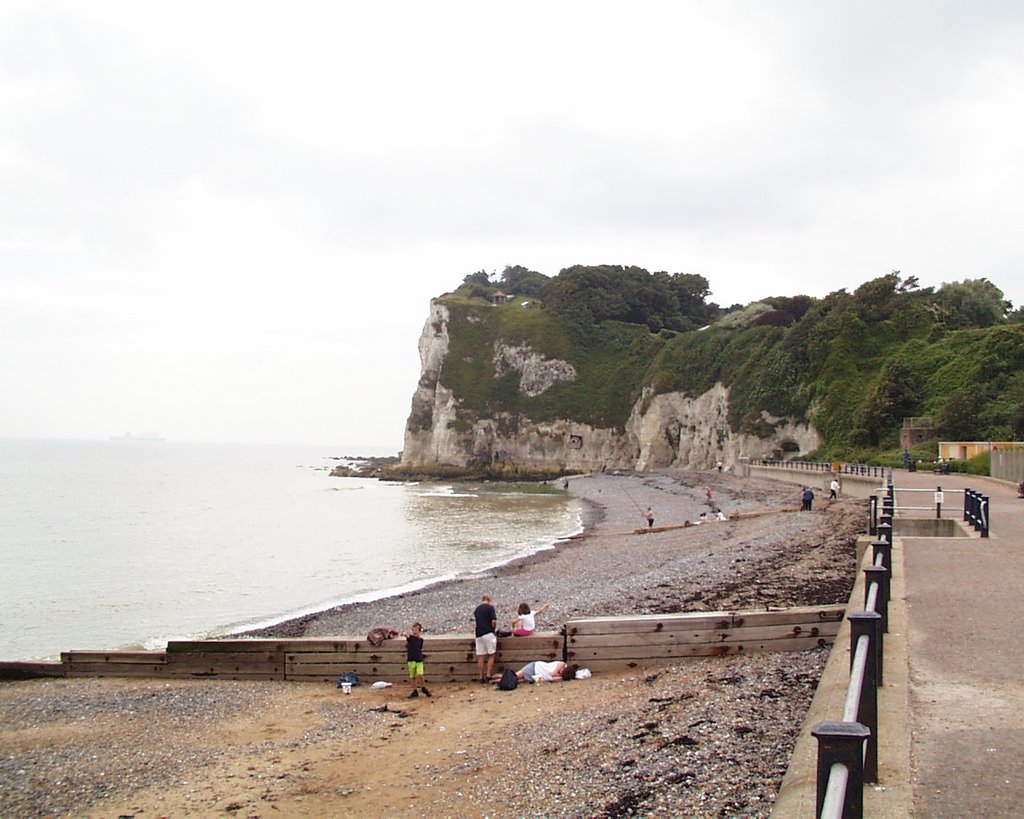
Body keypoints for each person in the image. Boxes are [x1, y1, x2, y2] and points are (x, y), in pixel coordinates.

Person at [473, 594, 498, 683]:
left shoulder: (477, 610)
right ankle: (488, 675)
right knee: (491, 654)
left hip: (478, 634)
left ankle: (481, 676)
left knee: (480, 656)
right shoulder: (490, 608)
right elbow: (493, 621)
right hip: (488, 633)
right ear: (489, 600)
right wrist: (494, 629)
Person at [402, 622, 430, 698]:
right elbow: (407, 636)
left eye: (416, 630)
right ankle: (415, 690)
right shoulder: (411, 638)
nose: (414, 632)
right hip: (411, 659)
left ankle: (423, 687)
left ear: (419, 631)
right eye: (413, 630)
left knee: (420, 674)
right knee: (413, 676)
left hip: (418, 659)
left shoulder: (420, 640)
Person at [503, 660, 579, 684]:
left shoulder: (560, 677)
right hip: (535, 667)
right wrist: (556, 674)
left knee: (517, 681)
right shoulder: (562, 664)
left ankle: (500, 681)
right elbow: (552, 674)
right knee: (514, 676)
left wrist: (559, 677)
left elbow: (549, 679)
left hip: (537, 676)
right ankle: (499, 679)